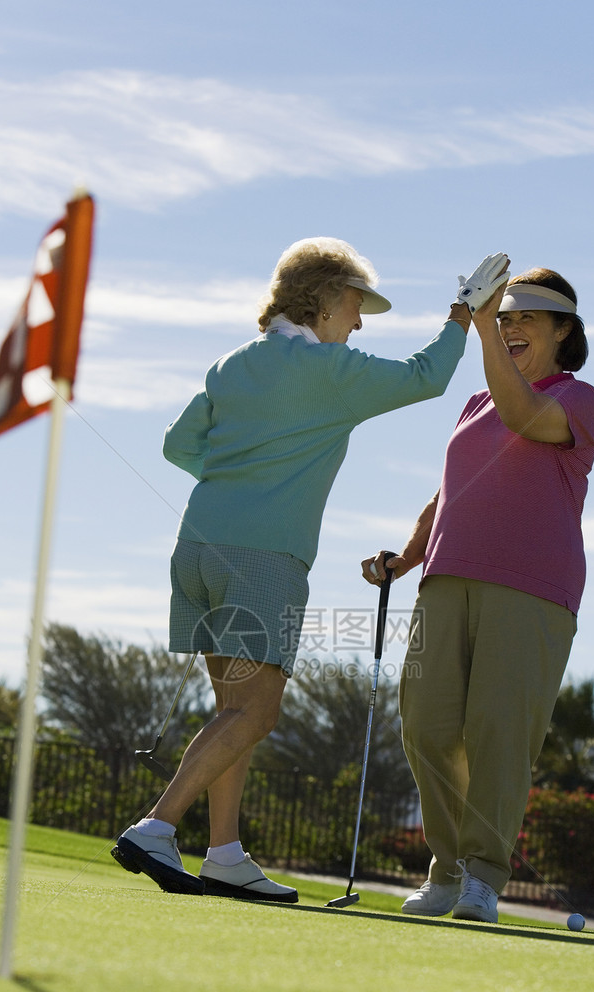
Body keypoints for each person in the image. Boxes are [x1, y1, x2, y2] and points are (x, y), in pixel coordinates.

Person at [112, 238, 510, 904]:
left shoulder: (233, 365)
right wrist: (462, 316)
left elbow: (177, 445)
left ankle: (225, 854)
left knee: (232, 711)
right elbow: (426, 376)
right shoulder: (326, 369)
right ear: (323, 299)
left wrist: (241, 477)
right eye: (355, 304)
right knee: (258, 713)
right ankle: (156, 825)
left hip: (198, 547)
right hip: (264, 557)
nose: (357, 322)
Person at [363, 266, 594, 922]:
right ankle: (446, 869)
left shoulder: (578, 399)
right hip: (446, 577)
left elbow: (526, 418)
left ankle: (480, 880)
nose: (512, 325)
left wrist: (484, 331)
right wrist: (406, 557)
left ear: (563, 332)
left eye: (526, 316)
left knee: (498, 729)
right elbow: (445, 495)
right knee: (426, 725)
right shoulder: (474, 404)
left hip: (534, 590)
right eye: (504, 316)